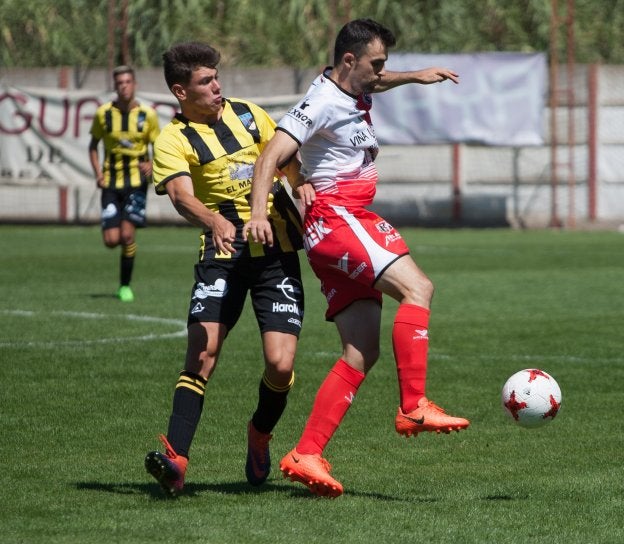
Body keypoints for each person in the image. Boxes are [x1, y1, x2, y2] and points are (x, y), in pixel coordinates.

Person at [244, 18, 470, 498]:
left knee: (361, 351)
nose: (381, 72)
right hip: (340, 219)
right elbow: (270, 156)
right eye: (377, 64)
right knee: (419, 288)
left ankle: (306, 452)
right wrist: (258, 212)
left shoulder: (351, 85)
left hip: (338, 226)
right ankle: (413, 405)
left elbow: (377, 82)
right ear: (349, 61)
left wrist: (414, 76)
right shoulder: (321, 101)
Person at [144, 42, 307, 497]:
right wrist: (214, 219)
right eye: (205, 82)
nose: (217, 87)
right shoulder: (173, 139)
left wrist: (304, 185)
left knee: (280, 364)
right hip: (223, 256)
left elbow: (287, 163)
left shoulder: (252, 116)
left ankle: (259, 432)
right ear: (181, 91)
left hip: (277, 255)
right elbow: (179, 195)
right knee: (201, 353)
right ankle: (175, 460)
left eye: (217, 78)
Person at [88, 65, 160, 302]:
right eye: (120, 83)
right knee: (111, 241)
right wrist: (98, 173)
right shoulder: (104, 114)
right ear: (115, 86)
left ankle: (124, 286)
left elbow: (157, 148)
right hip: (110, 182)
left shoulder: (147, 115)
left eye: (128, 81)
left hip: (136, 182)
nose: (124, 86)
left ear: (135, 85)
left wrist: (152, 165)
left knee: (128, 236)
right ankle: (123, 259)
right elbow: (93, 146)